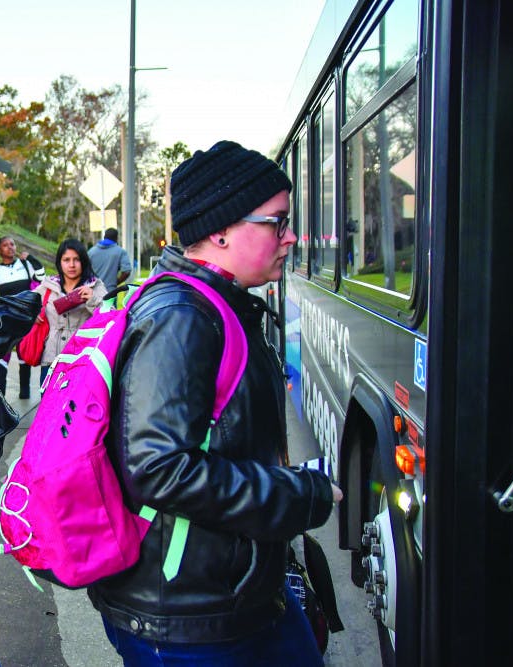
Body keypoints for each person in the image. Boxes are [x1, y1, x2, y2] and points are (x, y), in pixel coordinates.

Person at [86, 140, 343, 666]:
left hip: (232, 598)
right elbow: (158, 468)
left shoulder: (214, 305)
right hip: (187, 620)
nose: (291, 237)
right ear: (221, 229)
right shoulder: (182, 317)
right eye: (277, 222)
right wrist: (301, 495)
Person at [33, 238, 106, 386]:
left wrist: (93, 299)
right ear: (60, 262)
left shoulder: (95, 286)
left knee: (76, 407)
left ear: (83, 261)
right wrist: (32, 314)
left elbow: (109, 315)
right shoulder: (48, 285)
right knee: (49, 406)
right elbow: (26, 304)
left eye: (76, 259)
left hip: (83, 360)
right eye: (66, 260)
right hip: (51, 360)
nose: (71, 265)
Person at [0, 235, 45, 399]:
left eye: (12, 244)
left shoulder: (24, 264)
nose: (10, 247)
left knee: (25, 356)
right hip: (6, 320)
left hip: (27, 318)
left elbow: (41, 276)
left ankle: (25, 394)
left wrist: (30, 258)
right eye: (5, 245)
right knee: (2, 359)